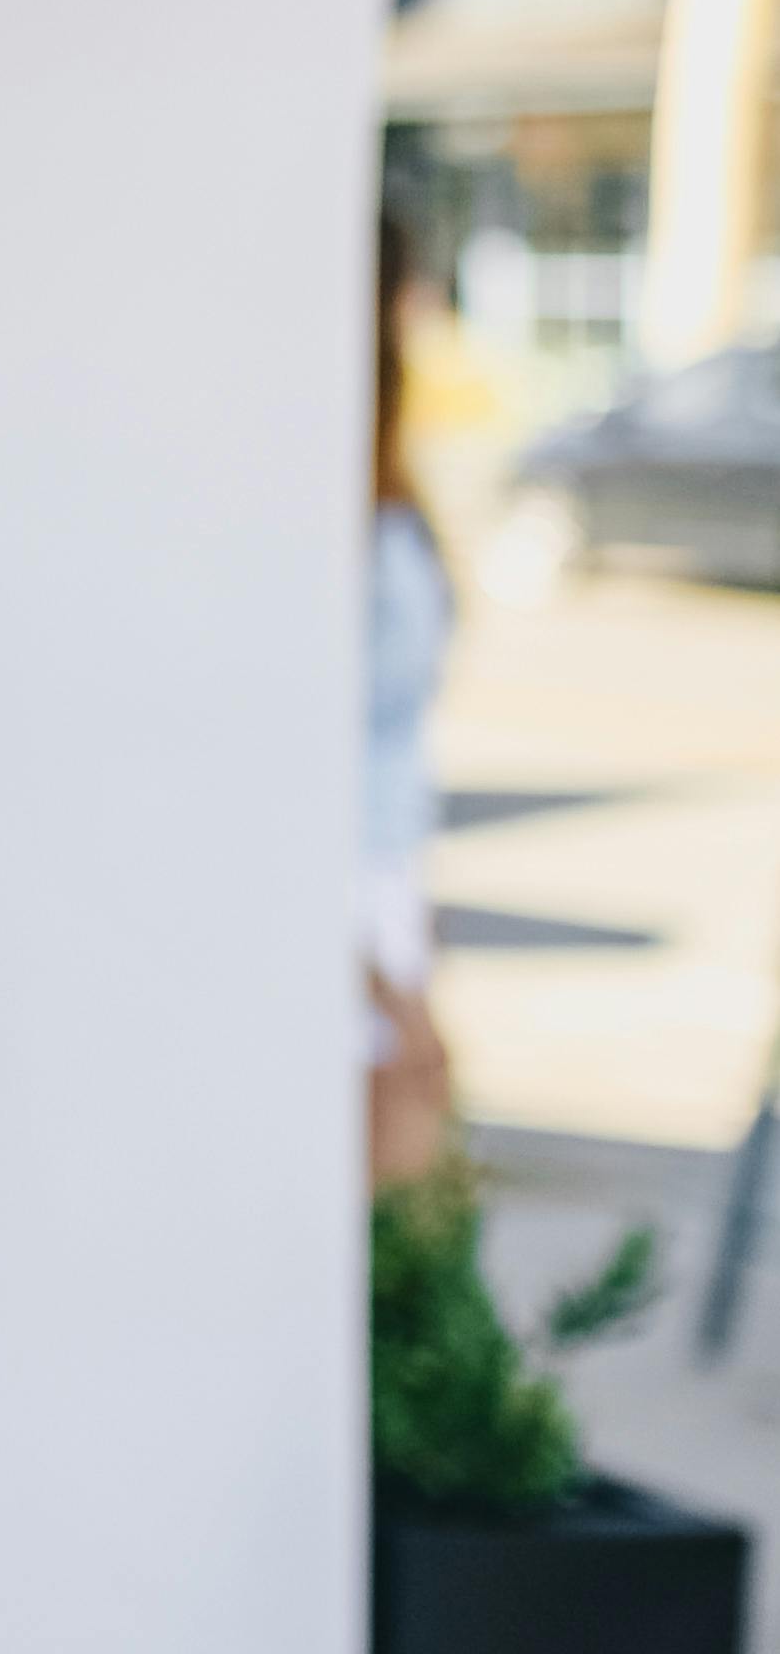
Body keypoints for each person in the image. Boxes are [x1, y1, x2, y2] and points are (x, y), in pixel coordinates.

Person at [367, 210, 458, 1190]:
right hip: (352, 936)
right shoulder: (341, 516)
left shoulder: (386, 490)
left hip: (385, 904)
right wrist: (383, 983)